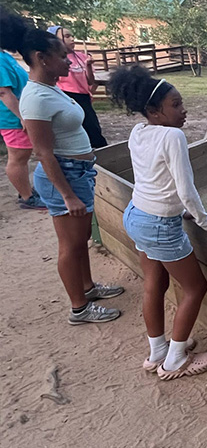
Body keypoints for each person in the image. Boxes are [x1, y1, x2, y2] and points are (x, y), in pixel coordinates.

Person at [108, 65, 207, 380]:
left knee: (153, 283)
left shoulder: (138, 131)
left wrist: (176, 208)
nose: (183, 110)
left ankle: (157, 350)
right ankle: (174, 361)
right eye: (176, 105)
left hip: (135, 214)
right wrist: (206, 222)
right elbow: (185, 190)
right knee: (196, 287)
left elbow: (153, 179)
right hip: (158, 224)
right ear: (153, 110)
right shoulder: (173, 136)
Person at [19, 27, 124, 325]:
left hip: (78, 172)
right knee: (71, 245)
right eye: (62, 56)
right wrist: (67, 194)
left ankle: (88, 288)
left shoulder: (51, 88)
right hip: (64, 177)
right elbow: (43, 152)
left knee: (82, 238)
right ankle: (79, 308)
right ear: (41, 58)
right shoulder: (36, 98)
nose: (69, 61)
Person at [0, 7, 45, 209]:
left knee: (23, 156)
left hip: (18, 115)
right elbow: (4, 93)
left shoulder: (5, 56)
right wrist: (22, 117)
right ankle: (26, 197)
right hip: (12, 118)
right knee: (18, 158)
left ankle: (26, 190)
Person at [47, 25, 108, 149]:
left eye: (72, 36)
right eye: (67, 36)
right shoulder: (55, 58)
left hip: (84, 97)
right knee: (78, 129)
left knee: (94, 129)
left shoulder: (81, 56)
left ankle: (101, 155)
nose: (72, 39)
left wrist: (88, 66)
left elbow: (90, 81)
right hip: (67, 96)